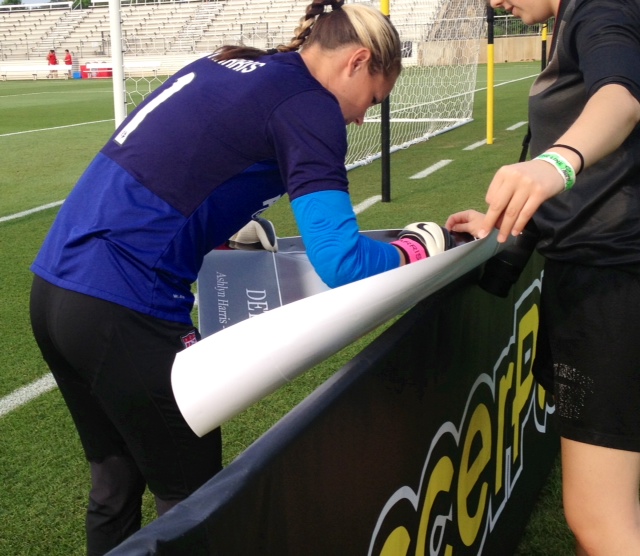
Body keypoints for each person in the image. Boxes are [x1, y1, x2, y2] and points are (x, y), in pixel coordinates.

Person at [29, 1, 454, 554]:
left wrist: (225, 221)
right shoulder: (310, 105)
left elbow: (177, 161)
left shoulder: (226, 63)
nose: (360, 119)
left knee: (115, 484)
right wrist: (415, 250)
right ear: (357, 61)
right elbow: (341, 261)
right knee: (193, 501)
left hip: (53, 290)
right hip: (124, 302)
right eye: (373, 99)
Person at [446, 0, 640, 554]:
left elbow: (621, 97)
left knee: (599, 519)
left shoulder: (601, 7)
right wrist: (510, 219)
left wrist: (556, 162)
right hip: (600, 277)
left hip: (611, 285)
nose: (494, 3)